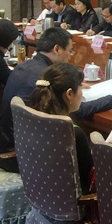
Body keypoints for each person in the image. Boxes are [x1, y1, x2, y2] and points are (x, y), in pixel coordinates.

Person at [0, 27, 112, 173]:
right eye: (70, 51)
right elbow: (75, 110)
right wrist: (111, 100)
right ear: (57, 49)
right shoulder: (43, 77)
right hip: (23, 158)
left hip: (19, 150)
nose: (70, 56)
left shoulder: (25, 66)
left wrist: (72, 84)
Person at [27, 63, 93, 194]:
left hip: (40, 193)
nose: (82, 92)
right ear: (69, 94)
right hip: (77, 201)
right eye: (80, 87)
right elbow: (89, 179)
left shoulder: (33, 119)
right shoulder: (73, 133)